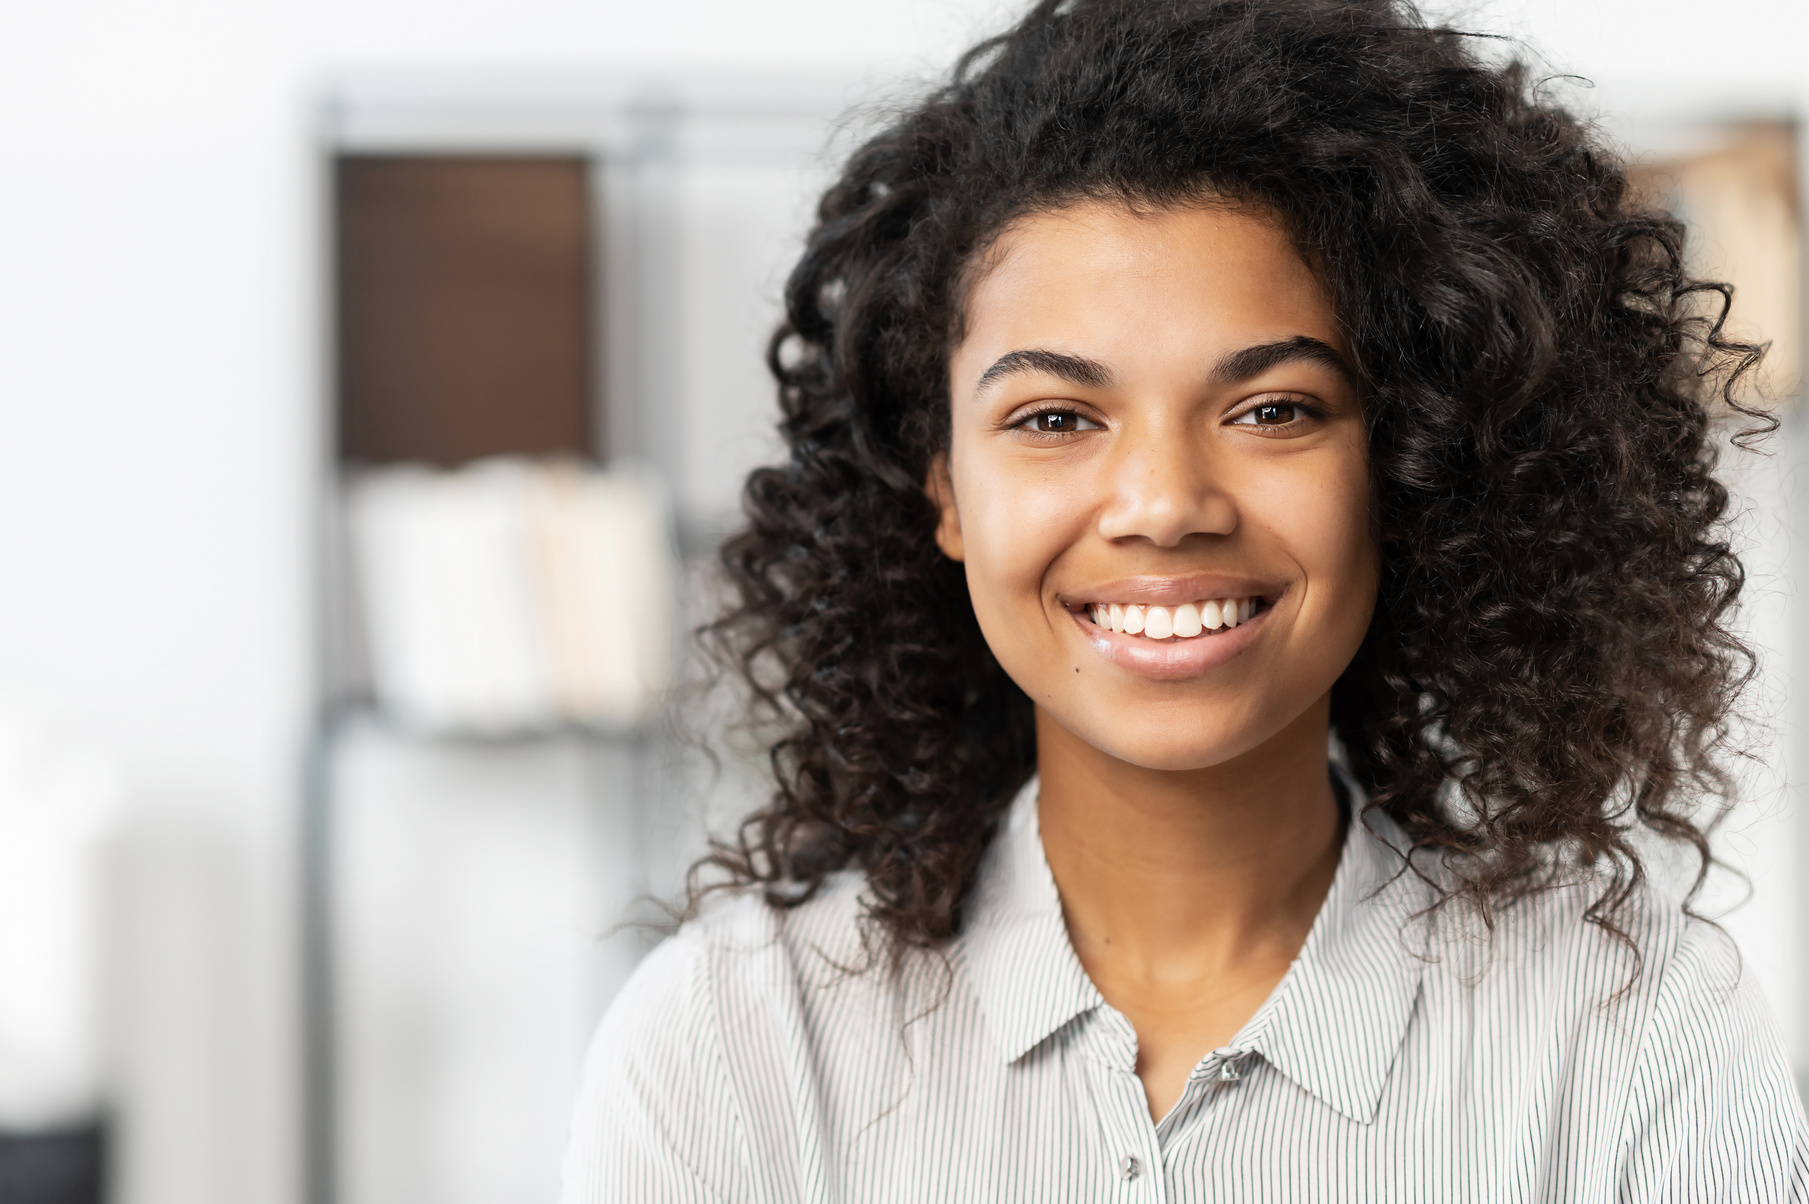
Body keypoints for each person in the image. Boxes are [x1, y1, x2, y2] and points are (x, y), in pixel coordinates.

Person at [562, 1, 1809, 1198]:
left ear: (1405, 460)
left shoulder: (1638, 1041)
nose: (1165, 502)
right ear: (944, 486)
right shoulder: (731, 1051)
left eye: (1273, 409)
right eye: (1054, 417)